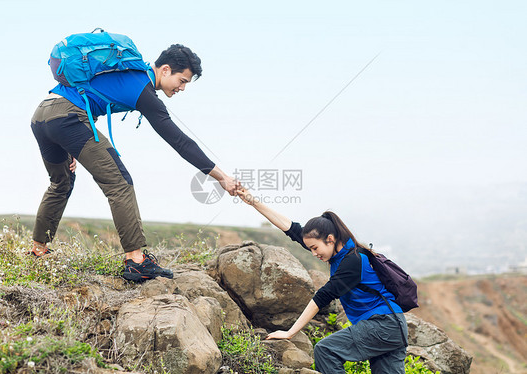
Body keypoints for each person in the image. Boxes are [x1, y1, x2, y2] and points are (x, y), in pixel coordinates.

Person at [30, 43, 240, 282]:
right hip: (68, 117)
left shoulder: (129, 73)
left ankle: (39, 250)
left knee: (61, 182)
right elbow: (179, 141)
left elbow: (87, 93)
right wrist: (221, 177)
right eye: (182, 81)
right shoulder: (143, 88)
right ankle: (136, 260)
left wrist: (72, 146)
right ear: (165, 70)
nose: (182, 88)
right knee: (119, 183)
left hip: (43, 115)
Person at [236, 188, 408, 374]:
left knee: (326, 351)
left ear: (330, 239)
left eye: (315, 248)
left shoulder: (353, 260)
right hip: (393, 327)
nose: (314, 253)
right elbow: (290, 228)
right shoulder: (335, 253)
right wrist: (253, 201)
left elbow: (323, 296)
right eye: (310, 249)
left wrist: (290, 332)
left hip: (384, 324)